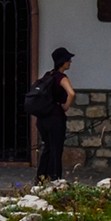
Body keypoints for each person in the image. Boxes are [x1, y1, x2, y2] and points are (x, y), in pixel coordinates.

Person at [34, 46, 75, 182]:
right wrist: (65, 106)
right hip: (56, 118)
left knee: (47, 148)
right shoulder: (61, 78)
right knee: (56, 150)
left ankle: (41, 178)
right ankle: (55, 179)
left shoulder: (48, 75)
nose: (70, 62)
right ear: (63, 62)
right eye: (68, 60)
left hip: (43, 118)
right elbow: (71, 93)